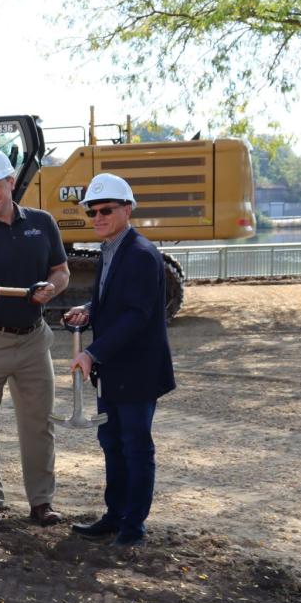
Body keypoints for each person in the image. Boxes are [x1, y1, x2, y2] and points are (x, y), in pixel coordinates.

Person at [0, 147, 70, 526]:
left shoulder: (43, 223)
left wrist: (52, 289)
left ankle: (42, 502)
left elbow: (61, 271)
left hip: (34, 340)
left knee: (39, 424)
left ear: (10, 181)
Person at [64, 173, 175, 548]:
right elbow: (114, 300)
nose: (97, 217)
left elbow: (136, 316)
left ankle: (133, 528)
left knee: (135, 447)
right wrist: (89, 309)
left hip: (137, 372)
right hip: (113, 371)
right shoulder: (111, 249)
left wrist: (91, 352)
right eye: (92, 211)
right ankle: (114, 516)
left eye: (106, 210)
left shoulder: (141, 254)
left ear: (127, 209)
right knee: (112, 442)